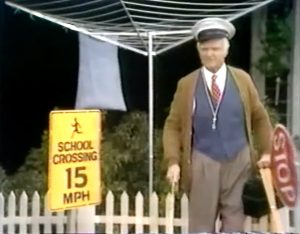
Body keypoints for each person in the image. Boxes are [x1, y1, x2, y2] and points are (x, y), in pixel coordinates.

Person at [163, 17, 273, 233]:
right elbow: (172, 125)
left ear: (226, 49)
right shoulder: (186, 84)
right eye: (205, 49)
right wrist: (173, 161)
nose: (210, 54)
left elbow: (260, 117)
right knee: (201, 226)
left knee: (234, 224)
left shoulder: (243, 79)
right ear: (198, 50)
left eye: (215, 48)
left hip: (239, 160)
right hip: (203, 161)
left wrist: (267, 151)